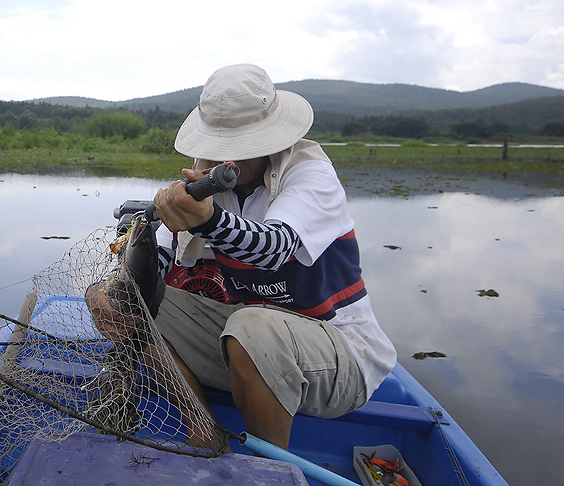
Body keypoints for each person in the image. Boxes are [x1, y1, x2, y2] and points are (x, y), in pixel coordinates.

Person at [113, 63, 396, 450]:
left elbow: (274, 248)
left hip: (340, 354)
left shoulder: (311, 172)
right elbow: (162, 259)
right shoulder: (205, 180)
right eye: (217, 147)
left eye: (240, 146)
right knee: (111, 300)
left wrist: (209, 221)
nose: (225, 159)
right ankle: (203, 428)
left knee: (252, 326)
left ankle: (269, 467)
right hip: (246, 344)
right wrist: (136, 248)